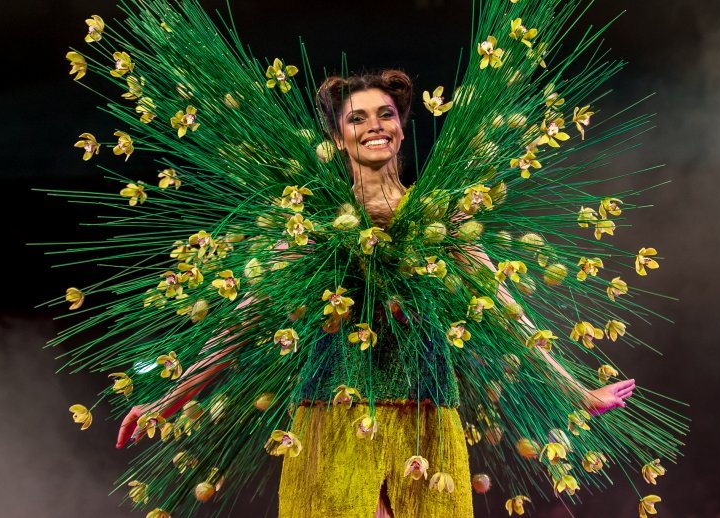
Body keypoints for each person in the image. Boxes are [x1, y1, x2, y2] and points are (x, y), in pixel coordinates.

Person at [116, 69, 637, 517]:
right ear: (339, 138)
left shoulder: (442, 219)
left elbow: (505, 310)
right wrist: (169, 396)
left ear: (401, 128)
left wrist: (576, 392)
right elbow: (247, 319)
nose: (373, 126)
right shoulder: (313, 223)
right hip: (330, 412)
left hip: (426, 412)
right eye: (357, 118)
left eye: (385, 114)